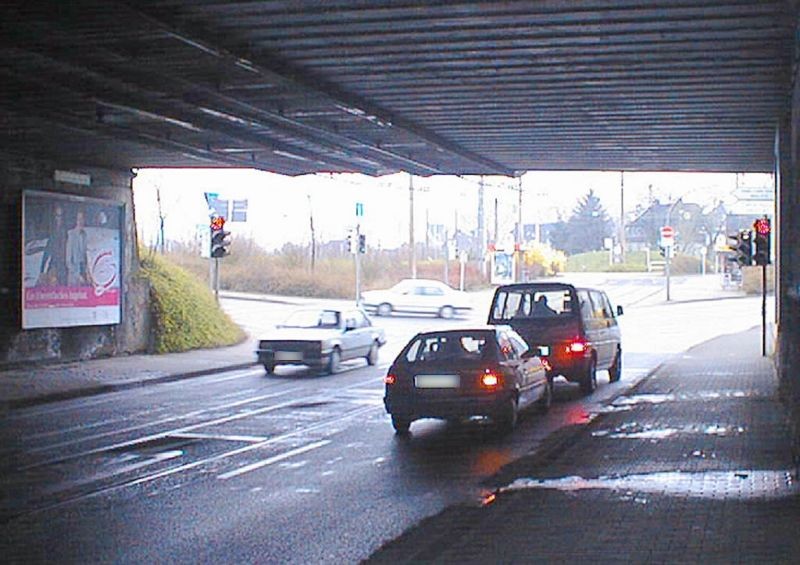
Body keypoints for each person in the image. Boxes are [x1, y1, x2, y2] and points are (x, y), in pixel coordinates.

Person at [39, 204, 67, 286]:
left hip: (64, 268)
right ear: (54, 217)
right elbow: (47, 252)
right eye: (57, 216)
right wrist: (42, 270)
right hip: (54, 266)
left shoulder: (67, 232)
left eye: (61, 216)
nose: (59, 218)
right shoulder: (53, 233)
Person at [67, 209, 90, 286]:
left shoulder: (85, 235)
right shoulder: (71, 235)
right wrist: (78, 276)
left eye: (82, 219)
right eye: (78, 219)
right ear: (76, 221)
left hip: (84, 273)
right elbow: (68, 261)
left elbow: (86, 255)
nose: (80, 221)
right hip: (74, 277)